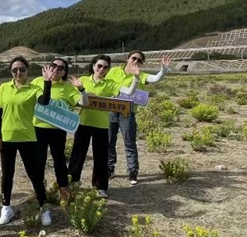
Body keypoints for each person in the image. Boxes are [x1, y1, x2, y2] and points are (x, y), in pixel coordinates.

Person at [0, 57, 56, 226]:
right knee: (7, 175)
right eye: (15, 70)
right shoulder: (4, 88)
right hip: (7, 138)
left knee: (35, 175)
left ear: (27, 70)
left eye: (22, 69)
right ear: (11, 72)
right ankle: (6, 208)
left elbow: (44, 101)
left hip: (28, 138)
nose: (18, 72)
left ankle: (44, 208)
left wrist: (47, 82)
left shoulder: (34, 88)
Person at [68, 55, 139, 198]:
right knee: (77, 155)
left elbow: (129, 92)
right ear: (93, 66)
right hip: (83, 123)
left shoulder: (110, 84)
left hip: (101, 125)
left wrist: (136, 78)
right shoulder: (82, 81)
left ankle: (100, 187)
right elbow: (75, 100)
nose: (102, 69)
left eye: (105, 67)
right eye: (99, 66)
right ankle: (72, 183)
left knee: (101, 157)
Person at [106, 52, 172, 184]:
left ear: (142, 63)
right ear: (128, 59)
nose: (135, 61)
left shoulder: (140, 75)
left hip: (127, 112)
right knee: (109, 141)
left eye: (139, 60)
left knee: (129, 142)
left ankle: (132, 171)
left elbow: (155, 78)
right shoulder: (114, 71)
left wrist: (163, 69)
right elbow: (105, 85)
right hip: (111, 110)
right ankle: (109, 169)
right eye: (133, 58)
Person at [31, 58, 80, 202]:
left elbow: (81, 101)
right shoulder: (37, 82)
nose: (56, 70)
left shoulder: (68, 87)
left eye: (61, 68)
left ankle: (63, 189)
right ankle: (38, 190)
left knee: (59, 160)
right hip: (38, 127)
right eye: (54, 66)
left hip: (58, 129)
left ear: (65, 72)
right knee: (39, 161)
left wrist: (82, 90)